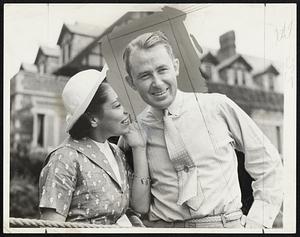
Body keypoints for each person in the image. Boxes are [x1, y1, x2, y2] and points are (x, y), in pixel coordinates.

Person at [121, 31, 283, 228]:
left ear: (176, 67)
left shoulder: (217, 106)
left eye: (162, 70)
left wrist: (258, 221)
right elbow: (127, 195)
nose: (157, 82)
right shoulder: (134, 132)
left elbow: (268, 162)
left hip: (224, 225)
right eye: (145, 75)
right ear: (131, 82)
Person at [38, 66, 147, 226]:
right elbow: (52, 228)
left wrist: (139, 148)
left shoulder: (116, 153)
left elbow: (140, 206)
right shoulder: (64, 158)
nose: (126, 111)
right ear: (93, 119)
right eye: (117, 105)